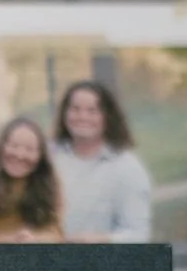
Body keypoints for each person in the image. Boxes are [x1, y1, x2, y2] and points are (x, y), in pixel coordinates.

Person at [49, 79, 153, 239]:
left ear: (108, 117)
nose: (82, 117)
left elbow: (138, 234)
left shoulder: (127, 168)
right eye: (75, 109)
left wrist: (103, 240)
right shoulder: (50, 158)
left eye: (92, 111)